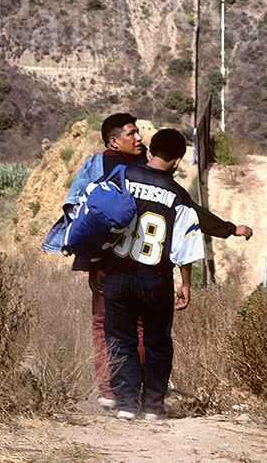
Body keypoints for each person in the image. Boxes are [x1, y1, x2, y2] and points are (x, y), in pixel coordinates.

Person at [42, 112, 253, 407]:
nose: (138, 138)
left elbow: (83, 208)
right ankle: (135, 395)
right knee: (138, 333)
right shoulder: (121, 169)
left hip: (113, 268)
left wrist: (74, 241)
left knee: (113, 330)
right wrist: (228, 229)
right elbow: (188, 215)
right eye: (131, 134)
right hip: (137, 272)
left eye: (139, 133)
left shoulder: (123, 172)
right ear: (114, 142)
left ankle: (117, 395)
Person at [103, 128, 203, 419]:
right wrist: (185, 283)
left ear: (149, 151)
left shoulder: (122, 177)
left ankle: (126, 405)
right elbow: (185, 245)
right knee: (157, 342)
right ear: (178, 160)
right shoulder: (179, 195)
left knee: (122, 340)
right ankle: (153, 408)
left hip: (117, 274)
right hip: (155, 279)